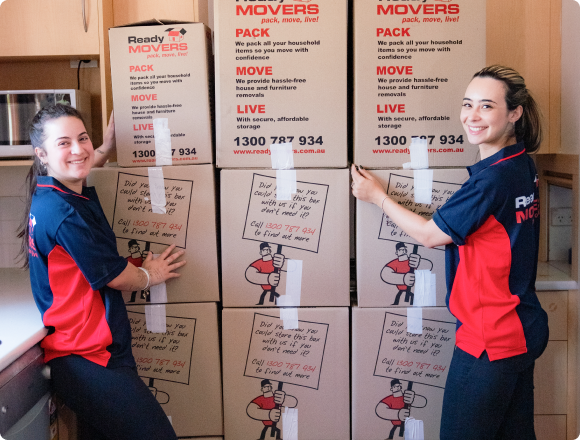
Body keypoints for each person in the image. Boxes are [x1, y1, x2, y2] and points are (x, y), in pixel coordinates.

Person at [352, 65, 549, 440]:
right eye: (467, 104)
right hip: (522, 326)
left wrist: (377, 197)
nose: (472, 116)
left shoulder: (493, 179)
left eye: (487, 106)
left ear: (515, 113)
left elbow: (431, 235)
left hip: (490, 338)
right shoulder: (522, 165)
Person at [18, 104, 185, 440]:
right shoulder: (66, 215)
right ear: (42, 154)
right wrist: (151, 275)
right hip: (89, 358)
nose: (78, 149)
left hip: (82, 353)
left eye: (83, 138)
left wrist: (105, 148)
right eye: (64, 143)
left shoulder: (53, 194)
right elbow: (117, 277)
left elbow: (79, 166)